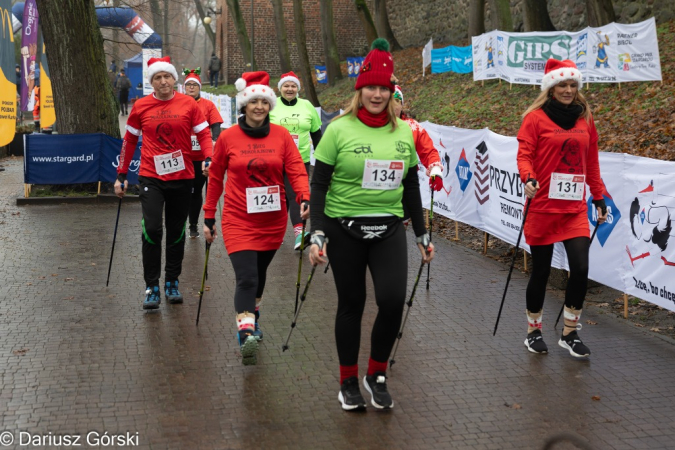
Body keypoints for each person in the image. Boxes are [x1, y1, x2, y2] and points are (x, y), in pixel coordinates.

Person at [308, 39, 435, 411]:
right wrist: (316, 232)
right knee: (352, 302)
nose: (377, 94)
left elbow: (411, 183)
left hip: (390, 227)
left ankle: (376, 373)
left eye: (384, 88)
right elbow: (319, 184)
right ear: (359, 90)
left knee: (392, 300)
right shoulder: (338, 129)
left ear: (392, 92)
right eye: (371, 87)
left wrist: (422, 233)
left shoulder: (403, 131)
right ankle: (348, 380)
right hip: (343, 227)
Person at [202, 71, 310, 365]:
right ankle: (246, 331)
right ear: (244, 105)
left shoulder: (282, 136)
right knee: (247, 277)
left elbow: (297, 170)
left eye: (264, 101)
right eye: (254, 101)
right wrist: (209, 216)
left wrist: (303, 196)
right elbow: (215, 179)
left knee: (259, 276)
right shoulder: (227, 137)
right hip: (238, 218)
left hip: (272, 220)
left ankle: (254, 315)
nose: (259, 106)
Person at [517, 58, 608, 358]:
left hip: (573, 209)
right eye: (562, 85)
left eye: (573, 85)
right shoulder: (535, 119)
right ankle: (534, 331)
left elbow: (591, 163)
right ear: (551, 88)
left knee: (580, 268)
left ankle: (569, 333)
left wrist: (599, 196)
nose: (568, 90)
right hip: (542, 205)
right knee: (541, 271)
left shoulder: (586, 119)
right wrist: (528, 178)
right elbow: (524, 155)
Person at [114, 56, 213, 310]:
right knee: (153, 228)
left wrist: (209, 157)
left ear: (173, 79)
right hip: (151, 177)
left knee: (176, 231)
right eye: (157, 78)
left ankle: (172, 282)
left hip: (182, 177)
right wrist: (121, 175)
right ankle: (151, 286)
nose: (163, 81)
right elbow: (129, 142)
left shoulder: (189, 104)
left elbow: (203, 133)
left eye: (166, 76)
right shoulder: (141, 106)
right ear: (152, 83)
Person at [269, 71, 322, 250]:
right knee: (278, 196)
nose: (290, 89)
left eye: (293, 86)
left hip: (300, 159)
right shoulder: (271, 105)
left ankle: (300, 234)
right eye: (286, 85)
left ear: (298, 88)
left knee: (296, 194)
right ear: (280, 88)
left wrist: (322, 159)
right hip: (274, 159)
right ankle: (276, 232)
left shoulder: (307, 106)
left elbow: (316, 134)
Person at [182, 68, 223, 238]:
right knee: (182, 191)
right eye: (188, 85)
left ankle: (193, 225)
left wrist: (214, 140)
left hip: (201, 158)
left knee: (196, 190)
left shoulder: (208, 105)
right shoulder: (179, 103)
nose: (191, 87)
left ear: (199, 87)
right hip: (182, 157)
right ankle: (180, 223)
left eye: (194, 85)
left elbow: (216, 125)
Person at [392, 85, 443, 193]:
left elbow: (428, 150)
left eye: (397, 101)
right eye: (390, 101)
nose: (394, 105)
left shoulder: (412, 127)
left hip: (406, 184)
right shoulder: (372, 126)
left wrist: (435, 171)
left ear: (402, 105)